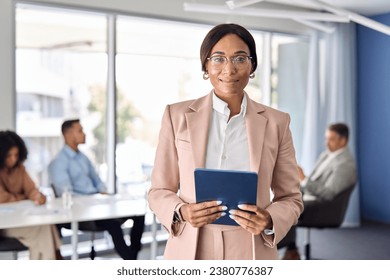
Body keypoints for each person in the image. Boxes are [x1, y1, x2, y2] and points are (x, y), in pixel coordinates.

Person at [148, 23, 304, 260]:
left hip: (251, 247)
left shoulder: (277, 123)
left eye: (240, 58)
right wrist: (182, 211)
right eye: (218, 59)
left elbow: (291, 198)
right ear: (206, 65)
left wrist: (270, 218)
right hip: (191, 245)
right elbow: (158, 191)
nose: (229, 69)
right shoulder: (176, 116)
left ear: (252, 66)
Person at [48, 119, 145, 260]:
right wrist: (92, 199)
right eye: (80, 130)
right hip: (81, 211)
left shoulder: (83, 158)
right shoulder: (58, 163)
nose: (84, 134)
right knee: (113, 225)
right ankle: (131, 262)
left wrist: (102, 193)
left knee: (138, 215)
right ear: (68, 134)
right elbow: (66, 194)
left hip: (97, 204)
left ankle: (133, 255)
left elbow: (97, 180)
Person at [280, 123, 357, 260]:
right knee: (283, 199)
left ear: (343, 140)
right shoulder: (326, 155)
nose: (327, 143)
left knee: (289, 208)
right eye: (326, 139)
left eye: (331, 139)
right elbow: (315, 181)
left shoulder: (345, 164)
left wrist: (304, 179)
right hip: (311, 198)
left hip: (324, 208)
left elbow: (329, 193)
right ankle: (290, 249)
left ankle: (286, 249)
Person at [0, 130, 63, 260]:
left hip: (20, 220)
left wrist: (37, 196)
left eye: (16, 155)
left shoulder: (20, 169)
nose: (13, 159)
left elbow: (31, 189)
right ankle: (56, 257)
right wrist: (24, 197)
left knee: (46, 225)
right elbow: (2, 198)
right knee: (44, 229)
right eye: (9, 155)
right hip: (5, 225)